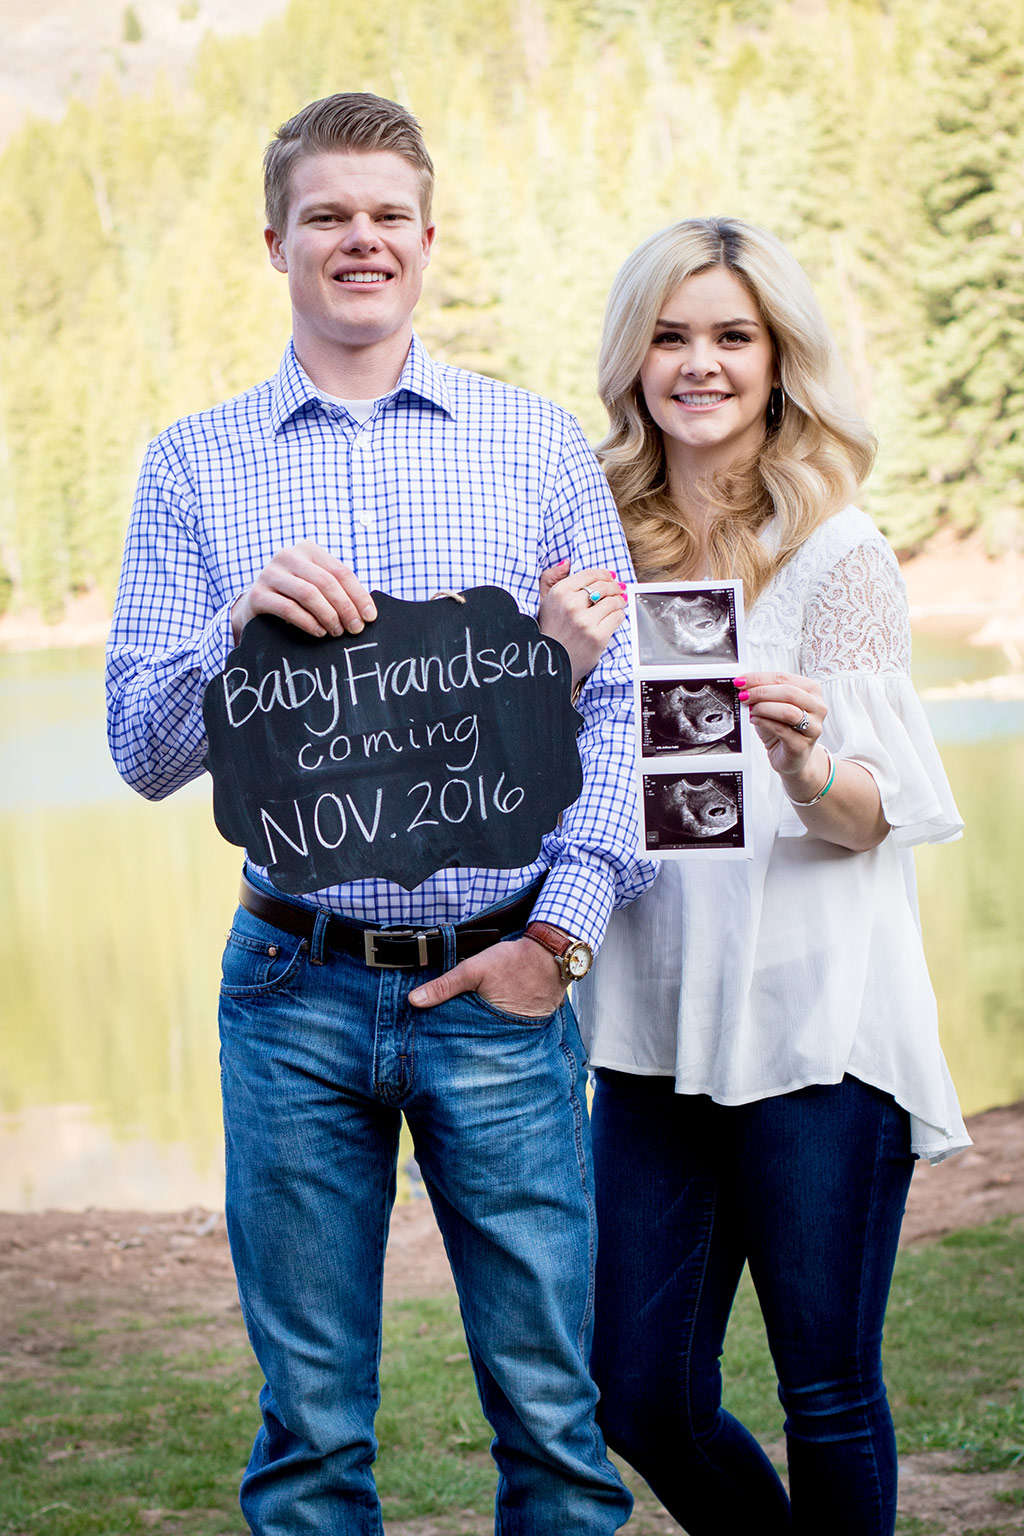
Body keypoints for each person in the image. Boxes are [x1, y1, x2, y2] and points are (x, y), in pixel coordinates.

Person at [106, 91, 649, 1535]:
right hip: (288, 985)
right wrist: (236, 631)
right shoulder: (194, 465)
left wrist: (561, 942)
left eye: (387, 215)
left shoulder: (532, 449)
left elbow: (627, 716)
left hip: (500, 986)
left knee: (553, 1421)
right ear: (276, 239)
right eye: (328, 215)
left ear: (427, 237)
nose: (361, 240)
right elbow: (139, 753)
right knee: (308, 1436)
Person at [539, 216, 968, 1536]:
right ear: (633, 362)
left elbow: (872, 816)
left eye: (733, 335)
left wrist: (801, 762)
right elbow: (544, 797)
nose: (701, 363)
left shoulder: (840, 554)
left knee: (826, 1389)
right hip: (654, 1029)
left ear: (780, 361)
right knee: (637, 1396)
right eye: (671, 336)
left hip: (817, 1031)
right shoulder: (592, 548)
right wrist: (553, 663)